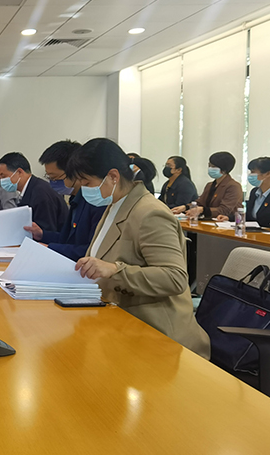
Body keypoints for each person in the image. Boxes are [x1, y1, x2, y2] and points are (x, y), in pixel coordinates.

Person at [69, 138, 210, 359]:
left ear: (113, 176)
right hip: (117, 322)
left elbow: (174, 278)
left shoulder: (150, 213)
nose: (84, 190)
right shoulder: (115, 205)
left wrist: (115, 270)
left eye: (87, 183)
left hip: (156, 334)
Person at [24, 141, 101, 261]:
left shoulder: (95, 201)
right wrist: (42, 234)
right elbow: (67, 239)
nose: (52, 182)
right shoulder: (75, 199)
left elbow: (92, 250)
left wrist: (51, 248)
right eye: (49, 177)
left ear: (74, 172)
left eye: (55, 178)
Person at [216, 157, 270, 228]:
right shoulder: (255, 192)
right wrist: (229, 218)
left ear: (268, 174)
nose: (250, 175)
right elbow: (250, 217)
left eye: (253, 172)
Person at [0, 151, 68, 232]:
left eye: (3, 176)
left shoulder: (40, 193)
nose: (2, 181)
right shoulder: (31, 188)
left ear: (19, 172)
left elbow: (46, 231)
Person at [170, 151, 242, 220]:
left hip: (226, 224)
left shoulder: (233, 186)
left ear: (224, 170)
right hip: (209, 222)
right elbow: (200, 202)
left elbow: (224, 210)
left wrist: (202, 210)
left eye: (213, 166)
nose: (210, 168)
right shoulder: (209, 185)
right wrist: (185, 207)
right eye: (209, 165)